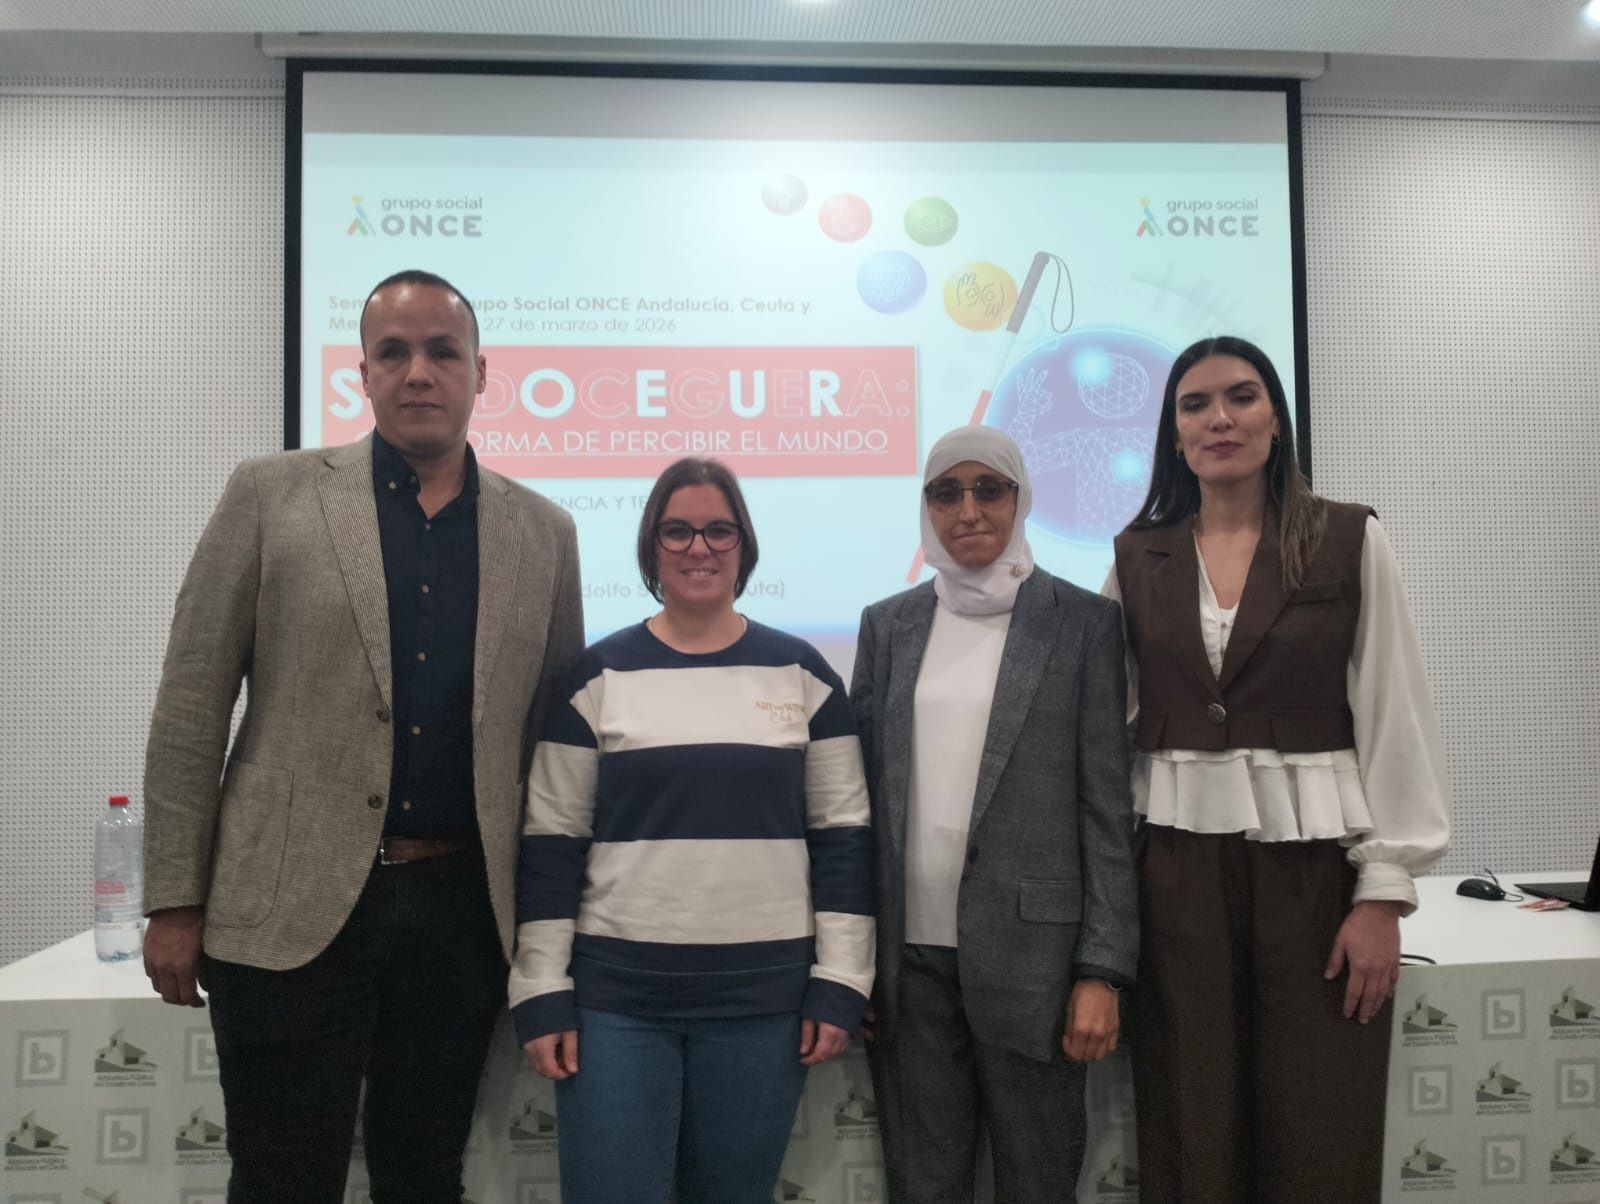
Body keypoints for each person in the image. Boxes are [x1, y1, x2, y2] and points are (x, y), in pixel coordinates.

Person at [140, 269, 584, 1203]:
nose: (418, 371)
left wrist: (553, 924)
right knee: (280, 1178)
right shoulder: (272, 494)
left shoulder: (544, 533)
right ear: (364, 373)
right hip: (288, 909)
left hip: (464, 915)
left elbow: (555, 752)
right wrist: (175, 899)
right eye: (395, 352)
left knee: (424, 1177)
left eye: (442, 351)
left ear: (481, 373)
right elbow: (190, 706)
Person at [1108, 335, 1450, 1202]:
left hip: (1314, 869)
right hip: (1175, 868)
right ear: (1173, 434)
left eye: (1242, 396)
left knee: (1318, 1112)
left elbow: (1392, 714)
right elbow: (1108, 730)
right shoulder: (1135, 557)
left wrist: (1382, 893)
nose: (1220, 418)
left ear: (1275, 418)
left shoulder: (1346, 537)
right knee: (1189, 1109)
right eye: (1195, 405)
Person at [509, 457, 875, 1204]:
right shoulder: (595, 678)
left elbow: (845, 839)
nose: (698, 548)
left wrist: (841, 983)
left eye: (718, 530)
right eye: (677, 531)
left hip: (761, 1008)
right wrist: (542, 989)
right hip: (616, 1009)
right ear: (651, 548)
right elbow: (550, 846)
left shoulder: (804, 676)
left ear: (744, 546)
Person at [850, 426, 1138, 1203]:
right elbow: (862, 804)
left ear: (1020, 499)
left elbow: (1107, 807)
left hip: (1037, 968)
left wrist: (1101, 971)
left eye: (989, 489)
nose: (968, 509)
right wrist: (853, 964)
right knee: (925, 1184)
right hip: (909, 970)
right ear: (926, 508)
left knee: (1038, 1183)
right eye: (946, 491)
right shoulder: (888, 626)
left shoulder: (1082, 624)